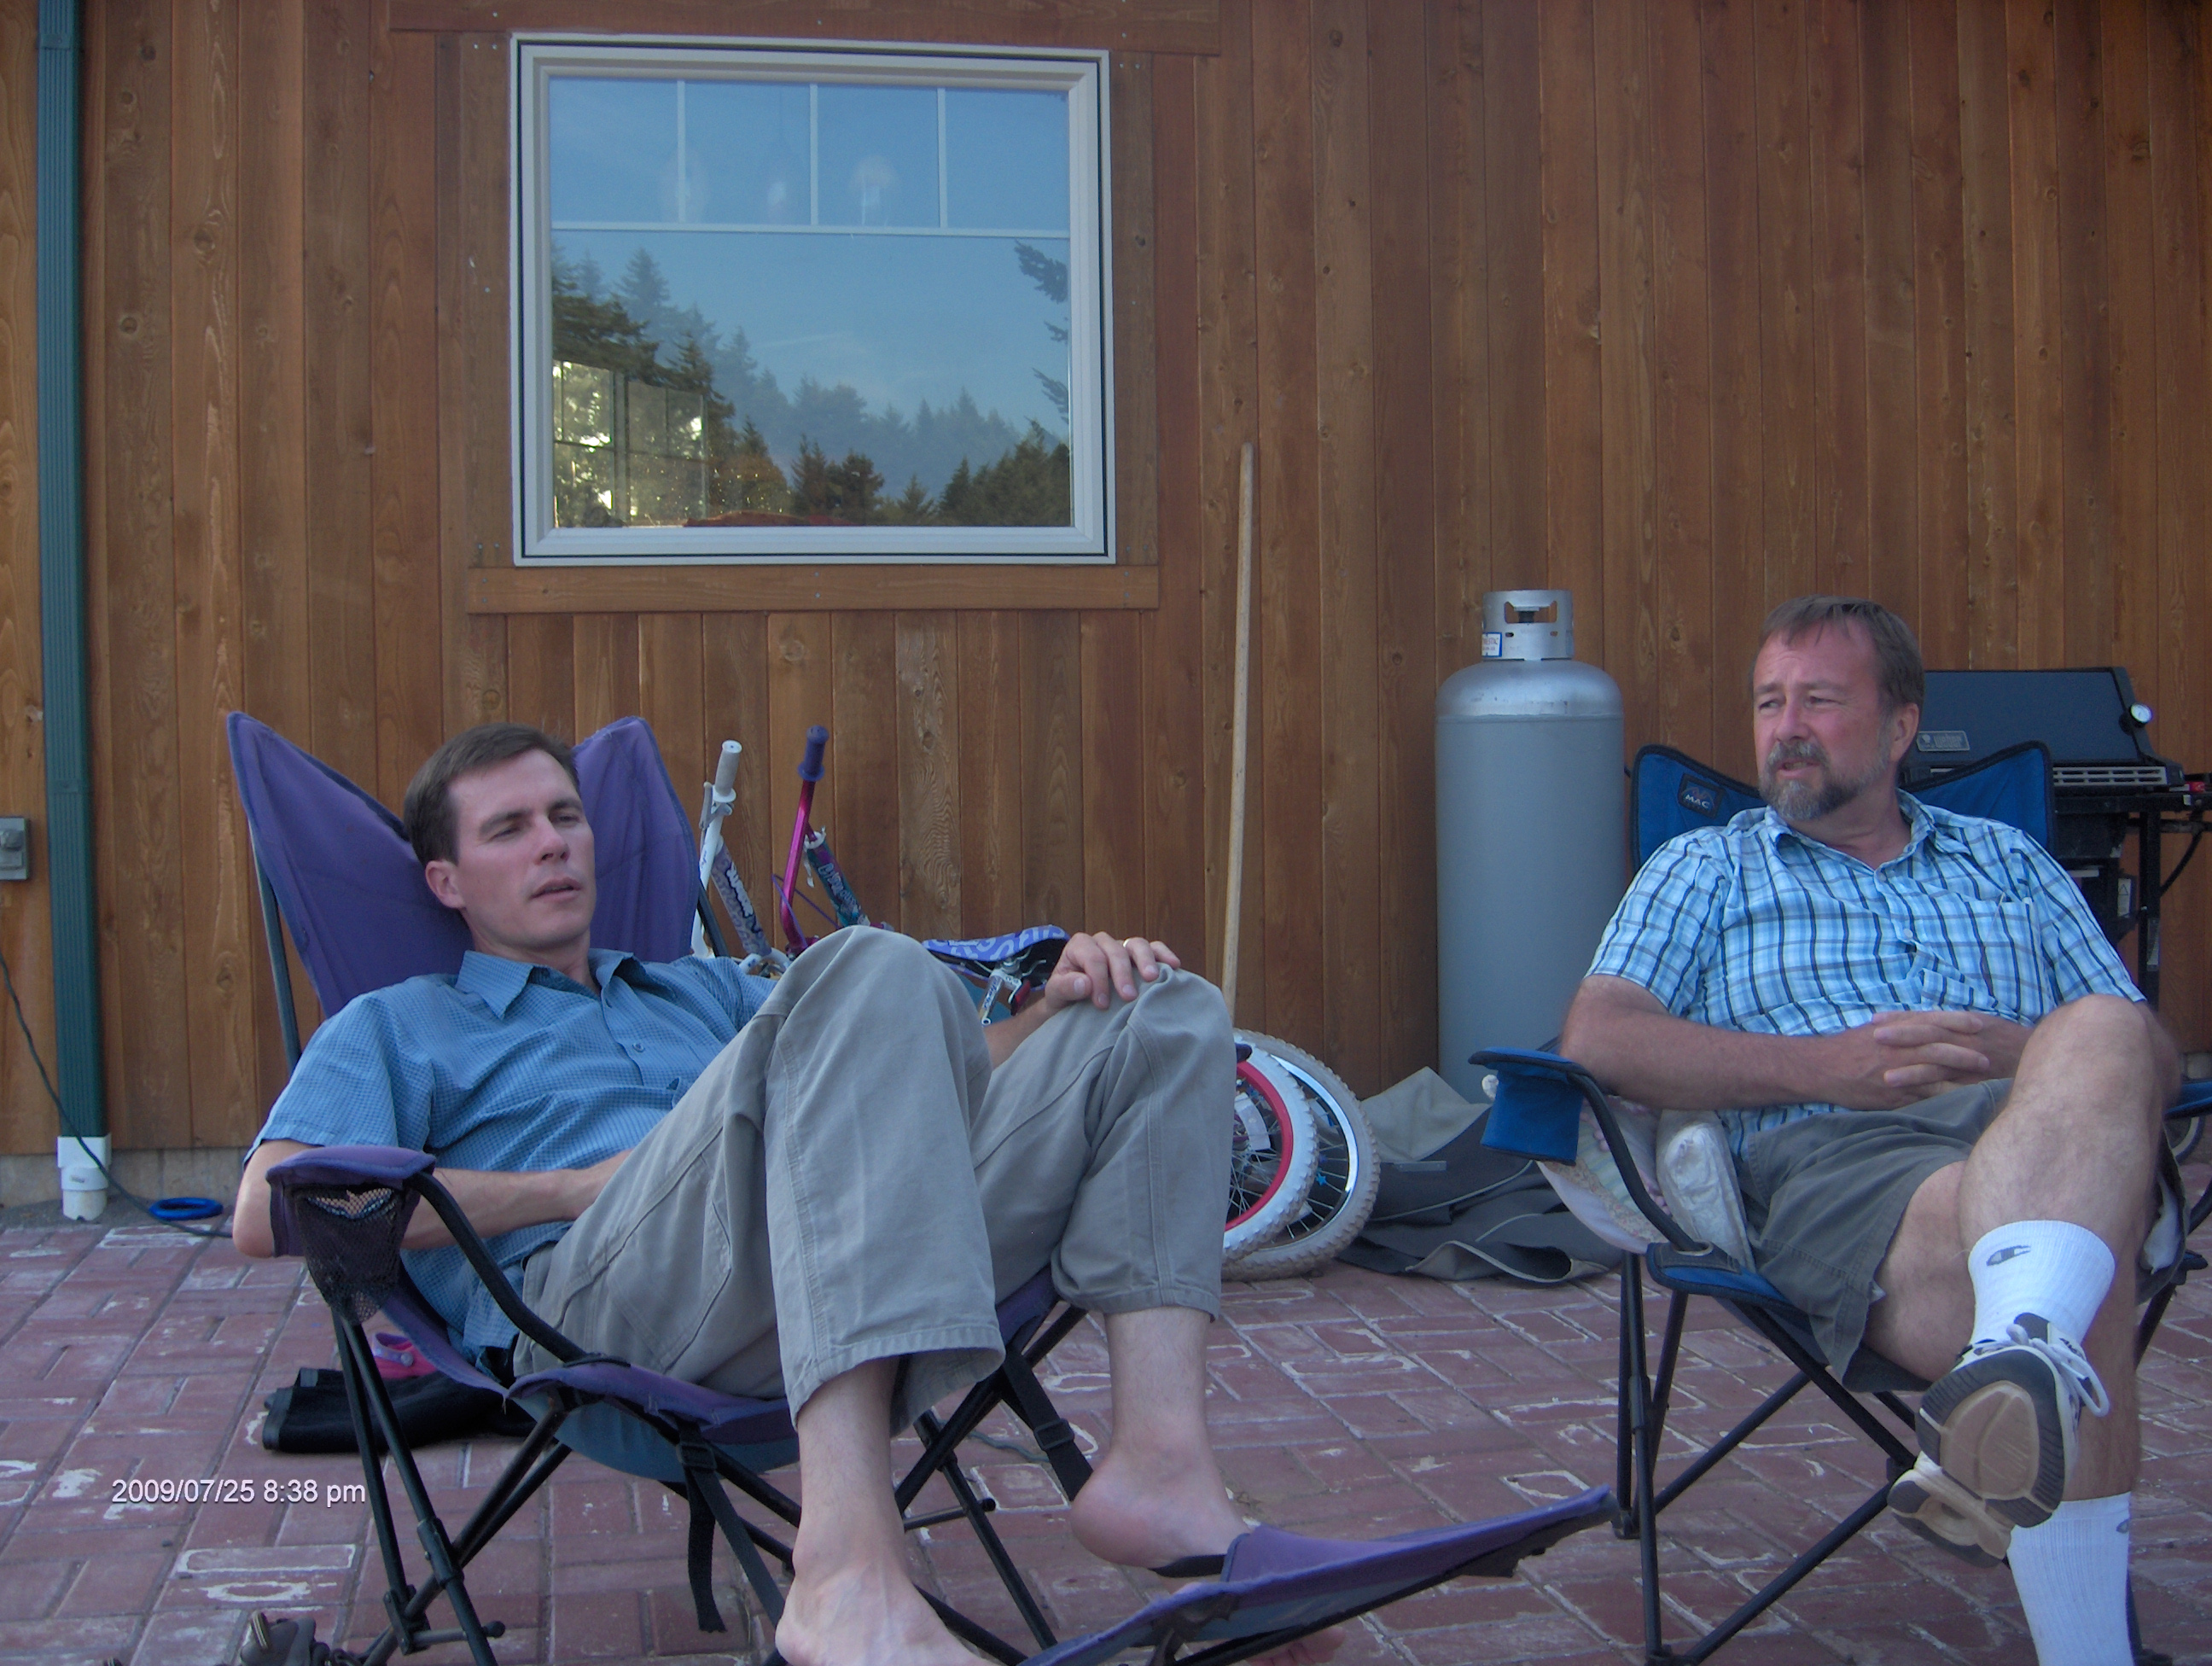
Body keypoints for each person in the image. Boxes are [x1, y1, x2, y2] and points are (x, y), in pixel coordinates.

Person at [232, 722, 1337, 1666]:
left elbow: (907, 1065)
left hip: (832, 1255)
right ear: (445, 880)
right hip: (602, 1309)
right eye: (509, 828)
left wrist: (1055, 1012)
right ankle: (846, 1565)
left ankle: (1159, 1468)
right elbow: (274, 1206)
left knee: (1158, 1007)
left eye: (565, 815)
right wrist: (569, 1188)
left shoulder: (703, 988)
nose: (554, 842)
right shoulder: (401, 1023)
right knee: (870, 963)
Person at [1557, 597, 2182, 1666]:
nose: (1786, 727)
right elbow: (1599, 1037)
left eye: (1820, 700)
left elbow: (2151, 1060)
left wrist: (2022, 1051)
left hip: (2039, 1128)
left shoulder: (2008, 859)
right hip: (1844, 1160)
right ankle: (2033, 1349)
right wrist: (1826, 1068)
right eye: (1769, 702)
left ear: (1900, 727)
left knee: (2107, 1029)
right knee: (2088, 1266)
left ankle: (2015, 1353)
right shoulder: (1706, 866)